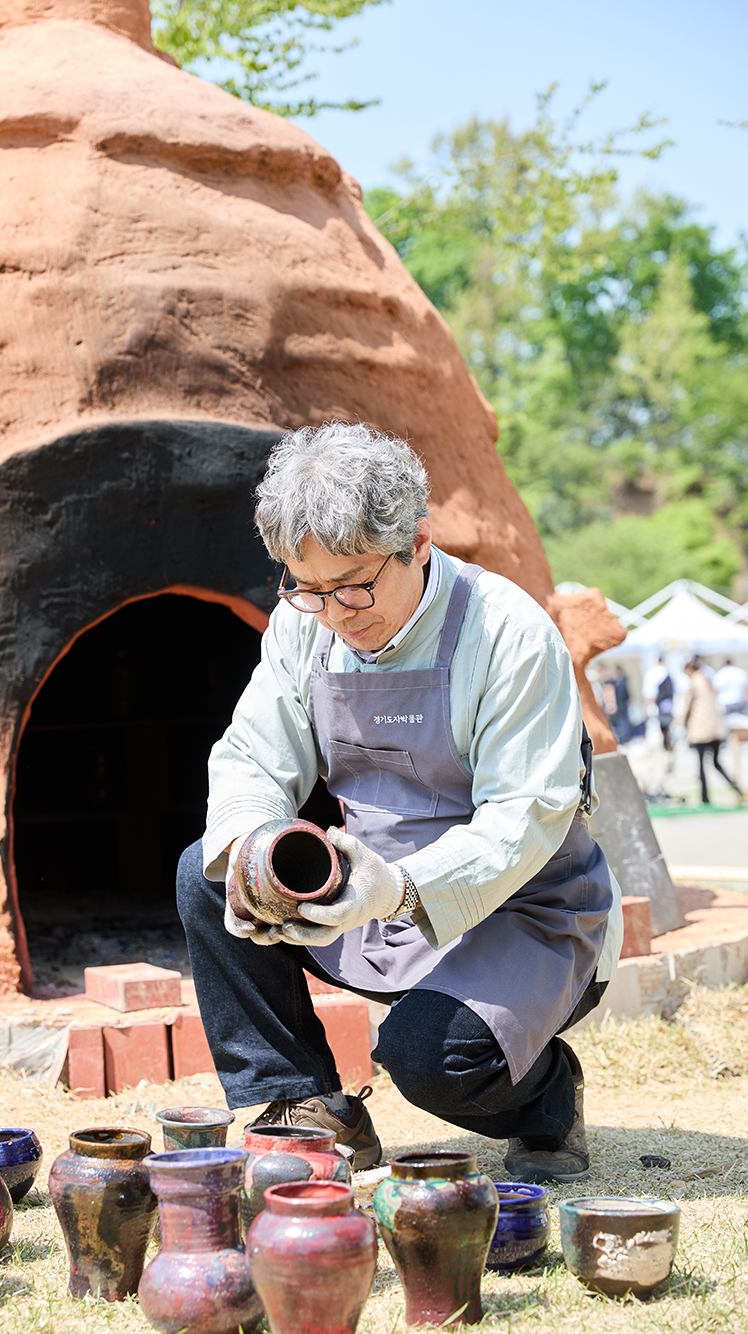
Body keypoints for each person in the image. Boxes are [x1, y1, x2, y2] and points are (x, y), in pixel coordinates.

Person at [176, 422, 623, 1185]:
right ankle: (306, 1104)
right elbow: (253, 755)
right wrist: (253, 847)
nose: (336, 612)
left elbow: (524, 821)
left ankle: (547, 1097)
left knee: (430, 1059)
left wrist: (397, 889)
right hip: (372, 896)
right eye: (306, 587)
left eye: (354, 584)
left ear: (418, 542)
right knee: (211, 870)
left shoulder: (506, 630)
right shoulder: (303, 625)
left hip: (528, 911)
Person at [682, 659, 744, 804]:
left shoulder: (695, 683)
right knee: (716, 762)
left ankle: (704, 798)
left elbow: (686, 707)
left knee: (701, 765)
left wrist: (680, 723)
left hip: (701, 730)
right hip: (716, 729)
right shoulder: (708, 680)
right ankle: (736, 788)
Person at [643, 656, 675, 752]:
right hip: (668, 706)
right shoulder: (667, 672)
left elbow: (650, 693)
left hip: (657, 707)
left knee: (656, 732)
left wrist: (648, 707)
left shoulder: (653, 672)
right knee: (666, 730)